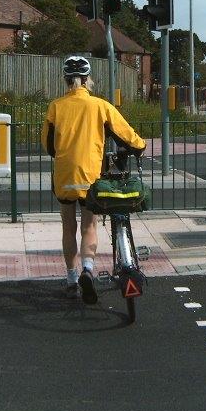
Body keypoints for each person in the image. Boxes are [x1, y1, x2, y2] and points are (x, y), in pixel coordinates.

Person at [41, 56, 146, 304]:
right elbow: (126, 134)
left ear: (66, 80)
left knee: (68, 226)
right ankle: (88, 269)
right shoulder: (100, 105)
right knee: (89, 226)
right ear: (87, 80)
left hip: (65, 175)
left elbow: (48, 145)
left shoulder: (56, 107)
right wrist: (139, 147)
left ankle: (70, 279)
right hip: (90, 176)